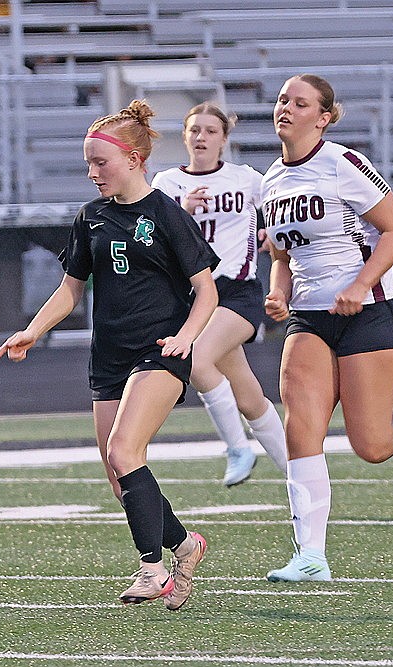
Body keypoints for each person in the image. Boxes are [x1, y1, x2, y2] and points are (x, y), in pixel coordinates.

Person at [0, 100, 220, 611]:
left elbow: (207, 292)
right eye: (88, 165)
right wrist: (32, 331)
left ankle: (152, 569)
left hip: (160, 352)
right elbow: (71, 289)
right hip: (109, 359)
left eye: (101, 163)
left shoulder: (166, 214)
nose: (93, 174)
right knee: (120, 477)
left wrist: (186, 337)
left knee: (124, 453)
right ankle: (185, 546)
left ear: (135, 160)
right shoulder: (90, 218)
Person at [261, 74, 393, 582]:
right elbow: (283, 251)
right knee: (300, 429)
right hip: (309, 317)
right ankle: (311, 556)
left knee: (371, 445)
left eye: (300, 102)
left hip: (369, 311)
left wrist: (360, 284)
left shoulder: (343, 163)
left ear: (324, 117)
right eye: (283, 99)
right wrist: (279, 291)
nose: (286, 108)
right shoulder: (270, 180)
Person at [151, 103, 288, 487]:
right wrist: (181, 209)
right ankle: (300, 476)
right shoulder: (166, 185)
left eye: (211, 131)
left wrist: (271, 234)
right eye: (195, 130)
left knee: (193, 359)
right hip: (193, 298)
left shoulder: (245, 178)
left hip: (236, 292)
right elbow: (146, 235)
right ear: (184, 136)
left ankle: (238, 447)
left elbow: (283, 211)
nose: (201, 138)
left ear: (224, 139)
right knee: (248, 397)